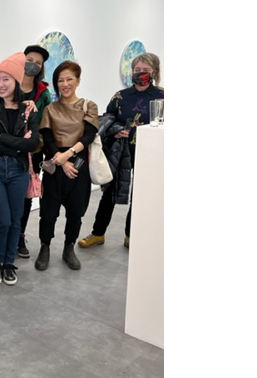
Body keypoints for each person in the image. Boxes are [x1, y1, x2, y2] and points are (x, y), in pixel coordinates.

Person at [78, 53, 164, 250]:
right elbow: (107, 118)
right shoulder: (121, 96)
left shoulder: (162, 97)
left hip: (149, 154)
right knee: (109, 193)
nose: (140, 74)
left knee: (139, 196)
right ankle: (98, 233)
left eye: (145, 71)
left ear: (154, 72)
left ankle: (130, 236)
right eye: (137, 70)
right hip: (121, 150)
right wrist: (116, 130)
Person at [0, 52, 40, 285]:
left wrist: (1, 137)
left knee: (15, 219)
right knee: (1, 219)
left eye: (6, 79)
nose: (1, 84)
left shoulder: (29, 110)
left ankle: (8, 262)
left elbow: (34, 143)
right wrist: (17, 144)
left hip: (18, 171)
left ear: (16, 81)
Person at [35, 61, 99, 271]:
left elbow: (89, 135)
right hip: (55, 164)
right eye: (60, 80)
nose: (65, 84)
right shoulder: (51, 108)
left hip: (78, 162)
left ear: (78, 80)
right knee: (48, 212)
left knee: (75, 211)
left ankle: (69, 247)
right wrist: (60, 160)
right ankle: (45, 247)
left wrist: (69, 155)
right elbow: (46, 136)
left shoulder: (88, 106)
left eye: (69, 79)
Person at [17, 45, 54, 259]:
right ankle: (8, 235)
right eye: (29, 59)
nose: (32, 64)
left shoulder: (43, 92)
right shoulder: (9, 83)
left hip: (33, 151)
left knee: (26, 195)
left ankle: (20, 235)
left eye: (38, 63)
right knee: (8, 195)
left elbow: (48, 121)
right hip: (9, 149)